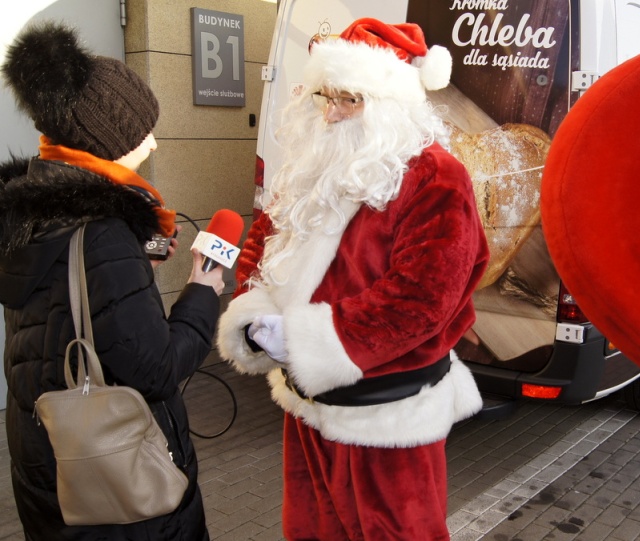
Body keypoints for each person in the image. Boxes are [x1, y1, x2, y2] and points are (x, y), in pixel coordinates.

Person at [216, 18, 489, 540]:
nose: (332, 113)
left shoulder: (435, 177)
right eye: (328, 96)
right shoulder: (312, 166)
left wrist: (301, 338)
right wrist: (253, 312)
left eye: (351, 100)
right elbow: (265, 243)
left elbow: (422, 298)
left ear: (391, 105)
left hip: (388, 419)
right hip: (307, 407)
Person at [0, 22, 224, 540]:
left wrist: (132, 272)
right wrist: (202, 291)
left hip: (48, 468)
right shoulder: (101, 236)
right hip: (120, 492)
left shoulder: (35, 213)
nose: (153, 141)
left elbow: (63, 315)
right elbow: (156, 370)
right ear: (110, 142)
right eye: (143, 131)